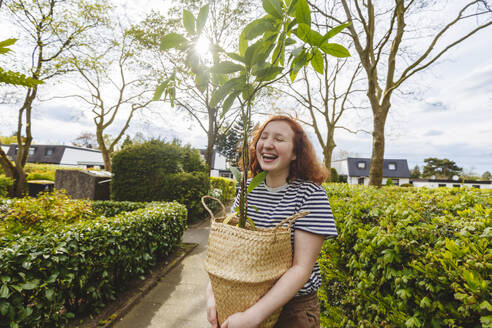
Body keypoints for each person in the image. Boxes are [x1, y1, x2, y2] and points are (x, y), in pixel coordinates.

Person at [206, 115, 338, 328]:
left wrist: (253, 317)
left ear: (296, 153)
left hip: (291, 312)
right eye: (263, 137)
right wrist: (213, 294)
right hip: (241, 299)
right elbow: (227, 250)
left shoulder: (310, 194)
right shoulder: (248, 189)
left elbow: (301, 269)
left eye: (279, 139)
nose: (268, 144)